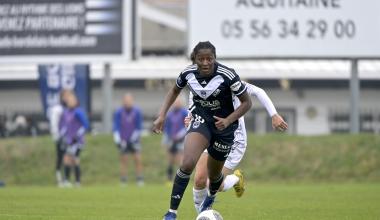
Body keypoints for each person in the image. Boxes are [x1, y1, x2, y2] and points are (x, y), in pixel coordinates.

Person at [152, 41, 252, 220]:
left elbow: (247, 103)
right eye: (201, 59)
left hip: (224, 129)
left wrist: (228, 120)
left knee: (214, 178)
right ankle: (171, 213)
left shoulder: (227, 75)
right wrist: (161, 116)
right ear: (195, 59)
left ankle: (210, 200)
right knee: (188, 164)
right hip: (201, 122)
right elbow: (174, 91)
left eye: (209, 59)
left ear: (214, 59)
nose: (205, 62)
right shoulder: (187, 73)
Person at [189, 81, 288, 213]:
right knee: (199, 179)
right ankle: (202, 215)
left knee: (213, 184)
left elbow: (258, 91)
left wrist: (274, 115)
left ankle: (236, 179)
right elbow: (193, 108)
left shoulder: (228, 80)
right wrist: (189, 118)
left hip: (234, 140)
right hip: (210, 136)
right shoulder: (195, 84)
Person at [113, 93, 144, 186]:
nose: (127, 102)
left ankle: (139, 179)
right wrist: (118, 140)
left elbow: (139, 127)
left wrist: (132, 139)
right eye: (125, 100)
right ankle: (123, 179)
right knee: (124, 159)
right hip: (123, 140)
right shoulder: (119, 112)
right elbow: (116, 127)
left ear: (132, 101)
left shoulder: (137, 111)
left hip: (134, 140)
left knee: (137, 158)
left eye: (129, 100)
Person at [60, 93, 89, 187]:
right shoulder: (65, 112)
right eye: (68, 100)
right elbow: (63, 125)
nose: (70, 102)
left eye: (72, 100)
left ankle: (77, 181)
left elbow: (85, 125)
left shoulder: (78, 112)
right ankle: (67, 181)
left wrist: (77, 135)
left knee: (74, 159)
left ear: (76, 101)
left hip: (77, 140)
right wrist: (63, 134)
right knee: (66, 159)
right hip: (68, 140)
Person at [49, 89, 73, 186]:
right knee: (60, 157)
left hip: (69, 137)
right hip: (60, 137)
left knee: (69, 156)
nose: (68, 98)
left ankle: (66, 179)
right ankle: (59, 179)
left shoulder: (71, 109)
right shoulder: (58, 109)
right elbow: (54, 123)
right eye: (66, 96)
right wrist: (56, 136)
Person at [162, 97, 188, 182]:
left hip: (181, 140)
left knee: (180, 160)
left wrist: (179, 135)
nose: (176, 103)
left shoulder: (184, 112)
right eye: (175, 102)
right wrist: (166, 140)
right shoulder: (170, 114)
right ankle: (169, 178)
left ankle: (181, 179)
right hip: (171, 139)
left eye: (178, 102)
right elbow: (167, 128)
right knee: (170, 160)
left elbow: (187, 126)